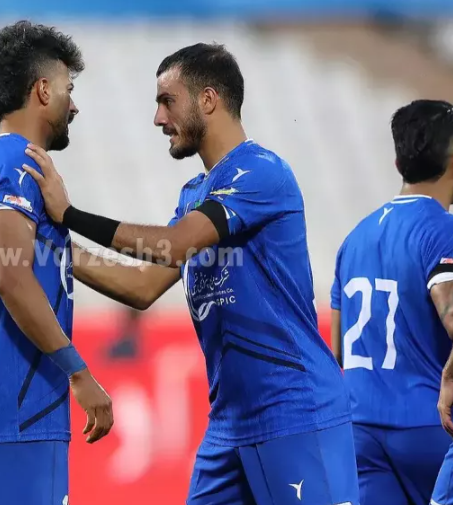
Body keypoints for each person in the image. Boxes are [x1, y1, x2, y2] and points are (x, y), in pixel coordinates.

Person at [22, 42, 359, 505]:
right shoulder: (194, 194)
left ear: (208, 99)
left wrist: (70, 215)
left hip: (296, 412)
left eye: (167, 101)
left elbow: (176, 243)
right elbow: (142, 287)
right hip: (229, 424)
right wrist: (53, 246)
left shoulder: (261, 172)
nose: (158, 118)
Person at [0, 21, 113, 505]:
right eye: (68, 89)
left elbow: (110, 277)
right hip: (19, 407)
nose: (73, 105)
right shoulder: (19, 166)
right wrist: (78, 372)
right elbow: (12, 279)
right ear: (43, 90)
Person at [332, 100, 453, 505]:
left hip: (360, 431)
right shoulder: (443, 231)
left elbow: (338, 352)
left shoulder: (353, 239)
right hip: (431, 427)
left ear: (399, 163)